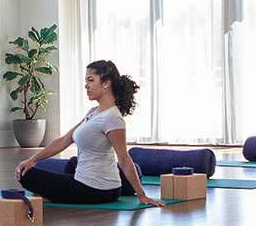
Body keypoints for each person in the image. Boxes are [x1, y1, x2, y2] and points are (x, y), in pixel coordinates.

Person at [14, 59, 163, 207]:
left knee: (27, 176)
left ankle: (51, 197)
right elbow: (64, 140)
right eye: (86, 81)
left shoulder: (112, 117)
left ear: (106, 83)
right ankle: (54, 195)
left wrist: (142, 196)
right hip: (92, 183)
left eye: (91, 80)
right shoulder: (93, 112)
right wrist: (32, 160)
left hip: (97, 189)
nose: (86, 85)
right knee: (72, 163)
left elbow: (123, 158)